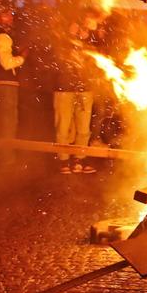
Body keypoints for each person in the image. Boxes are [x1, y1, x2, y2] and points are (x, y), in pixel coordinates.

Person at [51, 13, 97, 174]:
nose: (79, 28)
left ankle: (80, 158)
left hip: (84, 89)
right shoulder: (59, 39)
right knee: (63, 127)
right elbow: (56, 56)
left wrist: (86, 40)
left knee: (84, 128)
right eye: (76, 25)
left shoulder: (88, 43)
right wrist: (69, 36)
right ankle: (63, 160)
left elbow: (96, 60)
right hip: (64, 89)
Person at [0, 4, 25, 166]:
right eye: (6, 15)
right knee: (9, 121)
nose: (11, 18)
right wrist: (23, 57)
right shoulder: (2, 36)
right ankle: (6, 159)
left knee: (0, 120)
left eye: (11, 14)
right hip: (5, 84)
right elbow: (7, 63)